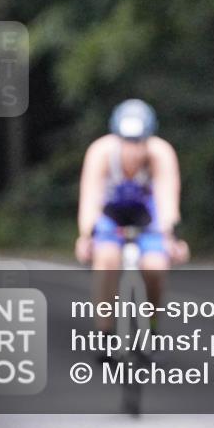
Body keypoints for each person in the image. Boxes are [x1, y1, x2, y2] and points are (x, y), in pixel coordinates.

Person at [75, 99, 188, 340]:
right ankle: (105, 333)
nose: (132, 150)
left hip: (146, 215)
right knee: (106, 260)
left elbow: (167, 199)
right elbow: (90, 197)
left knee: (155, 267)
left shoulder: (161, 153)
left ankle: (152, 326)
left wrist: (171, 237)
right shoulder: (101, 152)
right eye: (127, 142)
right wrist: (86, 236)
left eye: (138, 142)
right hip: (110, 213)